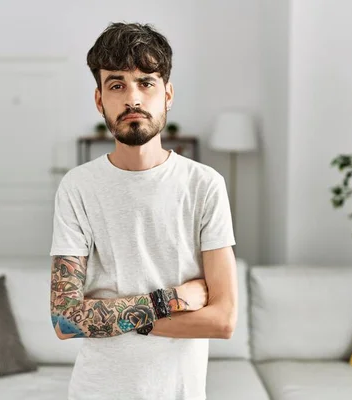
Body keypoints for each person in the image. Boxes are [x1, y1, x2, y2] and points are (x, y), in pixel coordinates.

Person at [49, 22, 238, 400]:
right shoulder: (78, 187)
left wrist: (113, 317)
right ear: (100, 100)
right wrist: (170, 301)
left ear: (167, 94)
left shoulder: (205, 185)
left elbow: (222, 321)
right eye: (117, 85)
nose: (132, 98)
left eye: (146, 82)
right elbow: (66, 320)